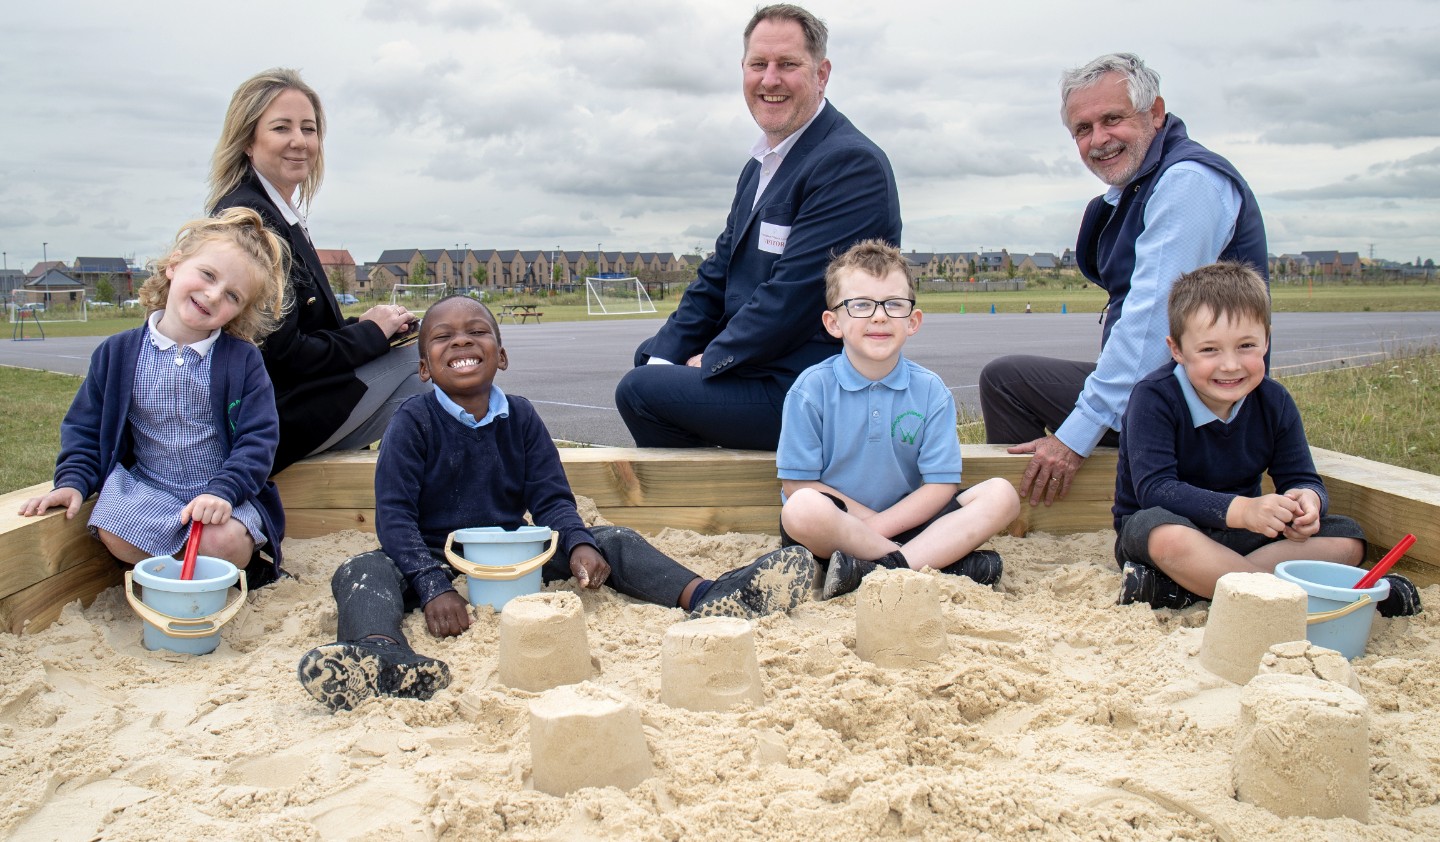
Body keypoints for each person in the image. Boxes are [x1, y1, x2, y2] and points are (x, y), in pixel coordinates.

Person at [296, 295, 817, 712]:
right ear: (425, 367)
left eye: (477, 332)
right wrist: (432, 587)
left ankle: (706, 595)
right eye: (443, 336)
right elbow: (395, 518)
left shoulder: (521, 417)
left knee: (611, 539)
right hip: (431, 559)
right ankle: (377, 655)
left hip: (511, 558)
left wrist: (579, 544)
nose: (462, 340)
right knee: (361, 569)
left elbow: (550, 498)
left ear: (500, 355)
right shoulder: (413, 421)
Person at [979, 52, 1267, 508]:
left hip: (1211, 402)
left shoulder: (1186, 183)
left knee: (1021, 387)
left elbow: (1151, 326)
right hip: (1167, 388)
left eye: (1113, 119)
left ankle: (1054, 506)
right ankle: (1030, 504)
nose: (1099, 139)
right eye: (1083, 129)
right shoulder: (1133, 189)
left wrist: (1075, 436)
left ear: (1155, 113)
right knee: (1006, 381)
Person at [615, 4, 901, 450]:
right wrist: (666, 356)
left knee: (640, 392)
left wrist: (710, 360)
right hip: (769, 367)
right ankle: (727, 481)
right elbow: (718, 273)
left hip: (814, 387)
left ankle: (728, 499)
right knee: (650, 360)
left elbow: (793, 296)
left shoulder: (849, 164)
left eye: (788, 65)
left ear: (821, 74)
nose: (770, 79)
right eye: (758, 65)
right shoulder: (761, 166)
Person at [1113, 262, 1420, 616]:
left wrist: (1307, 502)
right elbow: (1156, 489)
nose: (1230, 365)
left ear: (1266, 341)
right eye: (1210, 350)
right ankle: (1304, 604)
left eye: (1246, 345)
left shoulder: (1274, 401)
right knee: (1166, 534)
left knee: (1349, 539)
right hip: (1165, 530)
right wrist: (1242, 509)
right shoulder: (1154, 397)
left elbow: (1301, 476)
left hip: (1246, 538)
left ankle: (1183, 591)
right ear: (1177, 350)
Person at [19, 208, 290, 585]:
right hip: (151, 490)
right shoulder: (117, 353)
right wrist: (72, 481)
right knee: (113, 529)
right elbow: (86, 427)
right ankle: (189, 576)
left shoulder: (241, 360)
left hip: (223, 495)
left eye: (231, 295)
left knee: (223, 541)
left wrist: (225, 492)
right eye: (207, 275)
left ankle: (204, 567)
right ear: (174, 266)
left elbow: (258, 440)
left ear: (239, 311)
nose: (212, 295)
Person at [208, 68, 427, 474]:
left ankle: (398, 489)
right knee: (433, 356)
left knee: (422, 389)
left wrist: (366, 325)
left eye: (309, 129)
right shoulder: (249, 221)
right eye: (281, 127)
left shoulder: (279, 214)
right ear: (247, 141)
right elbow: (282, 355)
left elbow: (302, 329)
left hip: (292, 403)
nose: (300, 141)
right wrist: (369, 334)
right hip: (268, 421)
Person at [775, 241, 1020, 600]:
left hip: (911, 524)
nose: (879, 316)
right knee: (801, 509)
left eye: (893, 304)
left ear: (913, 321)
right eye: (860, 305)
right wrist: (869, 529)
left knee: (1002, 495)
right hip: (835, 531)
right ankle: (928, 565)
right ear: (833, 323)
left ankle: (877, 569)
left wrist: (884, 532)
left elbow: (940, 486)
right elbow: (798, 485)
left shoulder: (931, 391)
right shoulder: (811, 390)